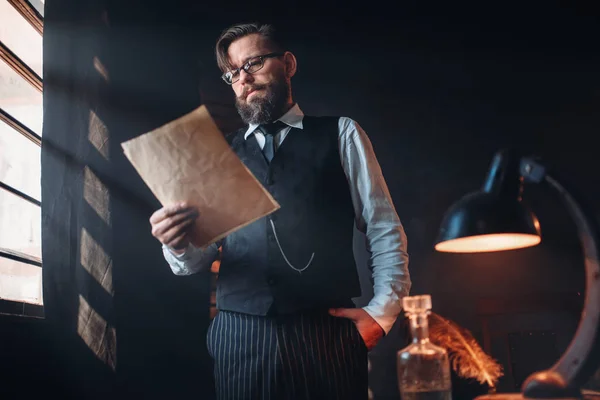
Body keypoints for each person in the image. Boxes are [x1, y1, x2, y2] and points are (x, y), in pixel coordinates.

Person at [149, 22, 411, 400]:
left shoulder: (342, 133)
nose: (243, 78)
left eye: (253, 62)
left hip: (326, 330)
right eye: (233, 72)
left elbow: (383, 228)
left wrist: (382, 314)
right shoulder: (217, 155)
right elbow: (195, 260)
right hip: (239, 336)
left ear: (287, 64)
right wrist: (176, 245)